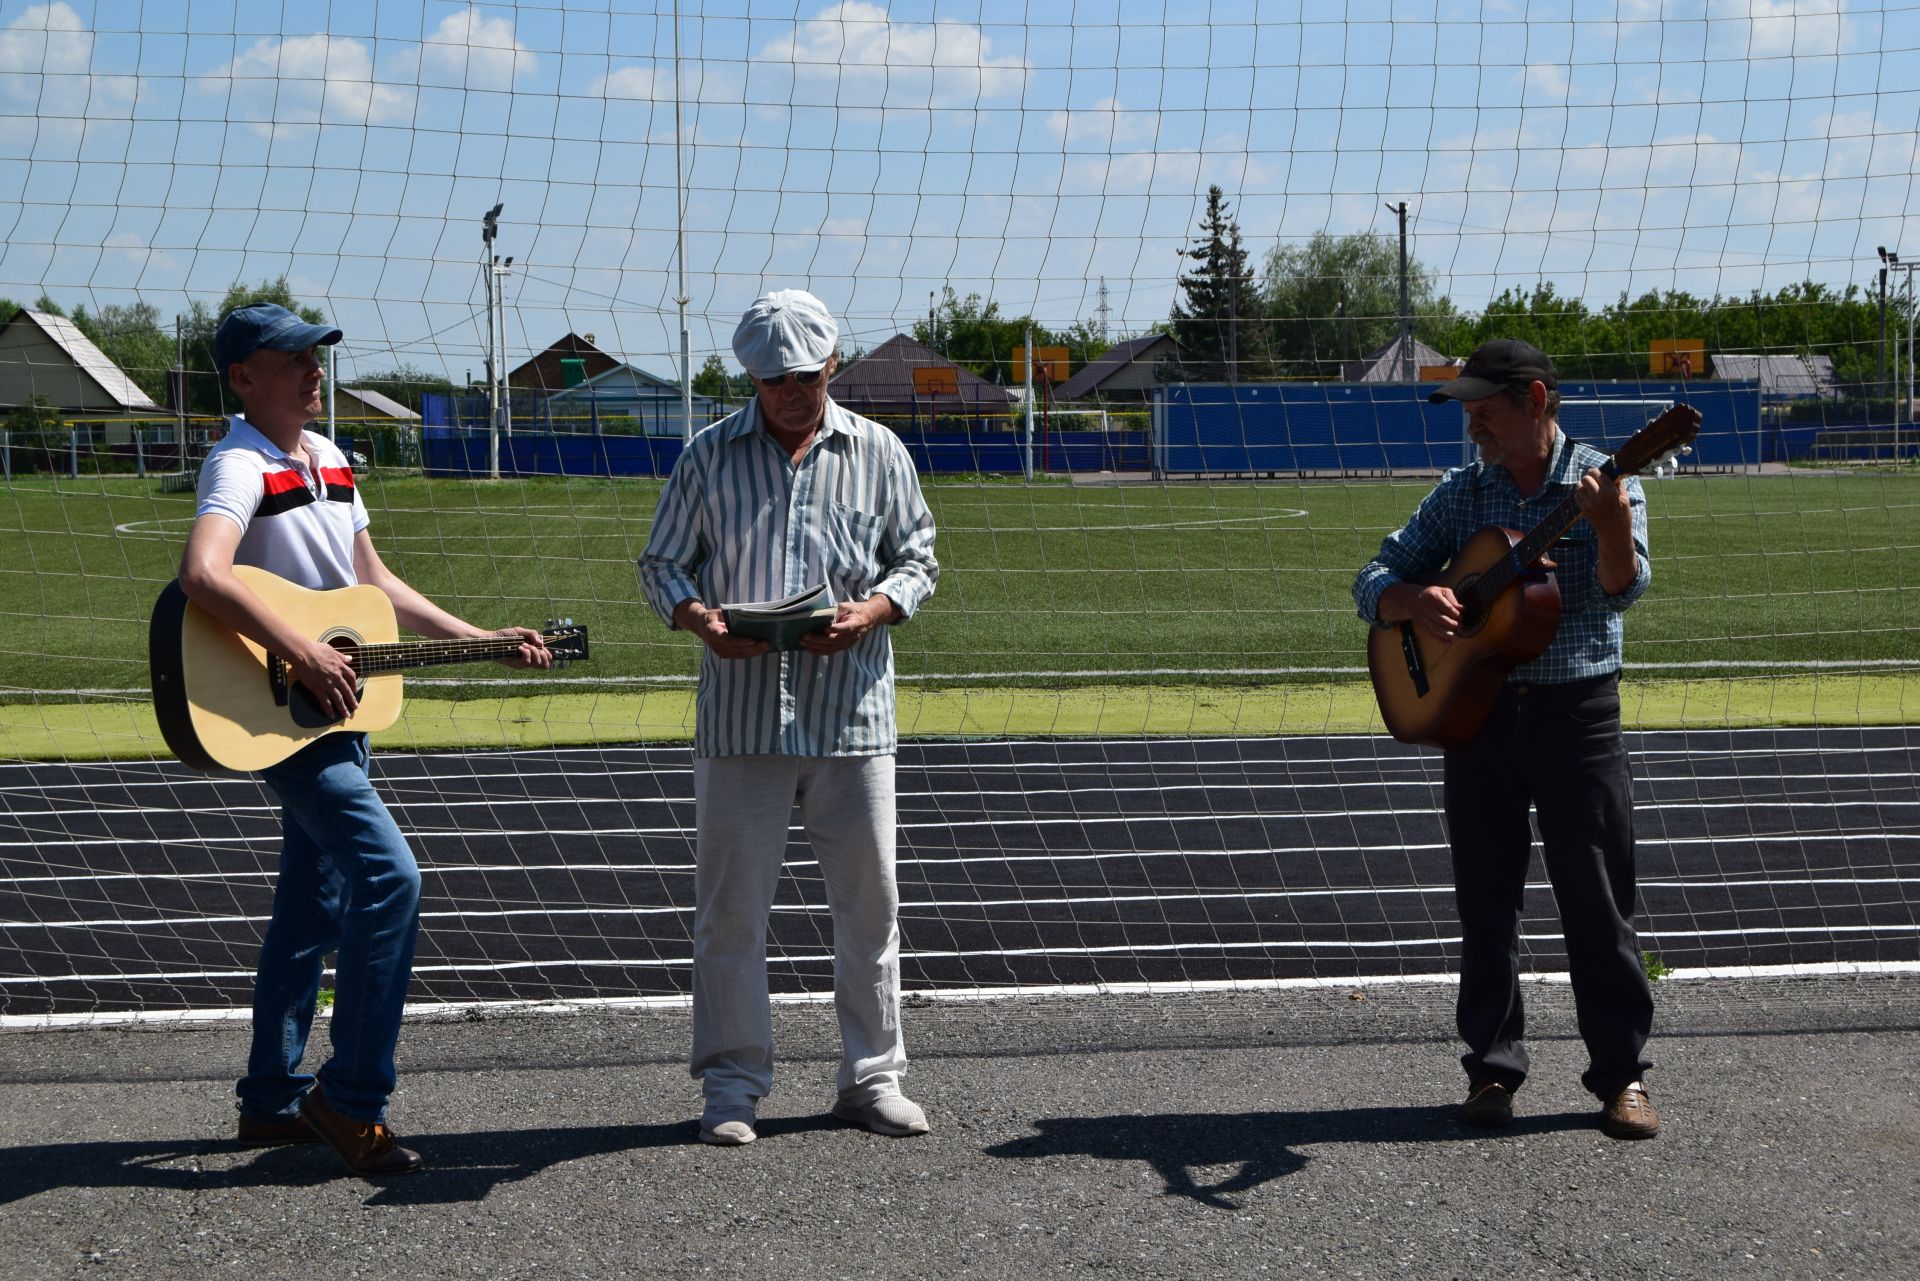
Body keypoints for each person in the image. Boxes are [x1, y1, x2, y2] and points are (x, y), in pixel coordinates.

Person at [177, 303, 551, 1175]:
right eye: (294, 358)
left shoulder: (333, 459)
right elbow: (201, 572)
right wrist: (301, 648)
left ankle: (270, 1099)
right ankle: (350, 1100)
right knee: (392, 878)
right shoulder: (237, 462)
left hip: (335, 712)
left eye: (317, 355)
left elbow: (373, 583)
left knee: (314, 908)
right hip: (287, 718)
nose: (315, 370)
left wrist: (481, 639)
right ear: (243, 377)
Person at [639, 288, 939, 1146]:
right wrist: (699, 619)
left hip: (852, 715)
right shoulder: (706, 457)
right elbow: (662, 563)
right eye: (770, 380)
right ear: (749, 376)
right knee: (730, 911)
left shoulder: (879, 452)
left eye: (801, 377)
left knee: (870, 905)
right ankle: (733, 1085)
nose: (787, 394)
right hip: (740, 718)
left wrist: (872, 611)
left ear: (832, 366)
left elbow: (917, 558)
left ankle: (872, 1079)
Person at [1352, 338, 1661, 1140]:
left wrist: (1614, 529)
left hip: (1577, 715)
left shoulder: (1607, 478)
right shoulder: (1463, 494)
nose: (1472, 420)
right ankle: (1493, 1068)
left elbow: (1625, 591)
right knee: (1485, 904)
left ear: (1535, 400)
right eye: (1467, 406)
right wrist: (1412, 601)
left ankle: (1621, 1075)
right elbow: (1372, 578)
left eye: (1485, 405)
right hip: (1479, 718)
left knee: (1597, 904)